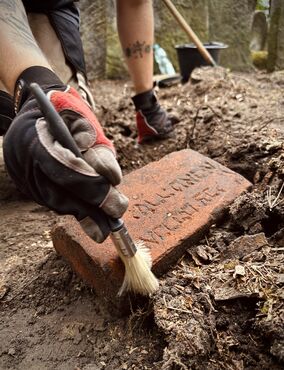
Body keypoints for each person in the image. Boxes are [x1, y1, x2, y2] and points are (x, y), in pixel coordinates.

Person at [0, 0, 173, 242]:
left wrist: (147, 103)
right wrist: (28, 82)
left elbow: (135, 2)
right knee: (8, 106)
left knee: (67, 131)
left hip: (45, 9)